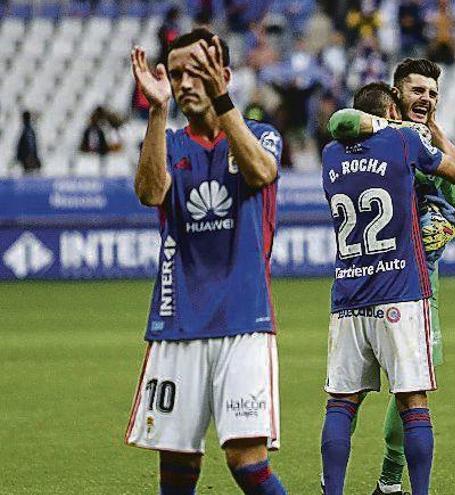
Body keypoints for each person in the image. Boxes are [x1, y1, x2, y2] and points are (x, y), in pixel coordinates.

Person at [124, 29, 287, 495]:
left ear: (224, 75)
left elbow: (260, 173)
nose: (184, 82)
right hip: (178, 322)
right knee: (176, 467)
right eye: (176, 74)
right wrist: (157, 112)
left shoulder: (260, 135)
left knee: (246, 462)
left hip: (244, 319)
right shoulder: (171, 144)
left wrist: (222, 102)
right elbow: (151, 192)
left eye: (196, 70)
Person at [327, 57, 455, 495]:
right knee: (410, 391)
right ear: (395, 96)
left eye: (432, 93)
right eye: (417, 91)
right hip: (393, 283)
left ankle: (390, 477)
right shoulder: (385, 137)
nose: (425, 99)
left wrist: (449, 227)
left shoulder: (429, 142)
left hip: (420, 282)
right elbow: (341, 120)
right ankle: (395, 482)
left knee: (404, 387)